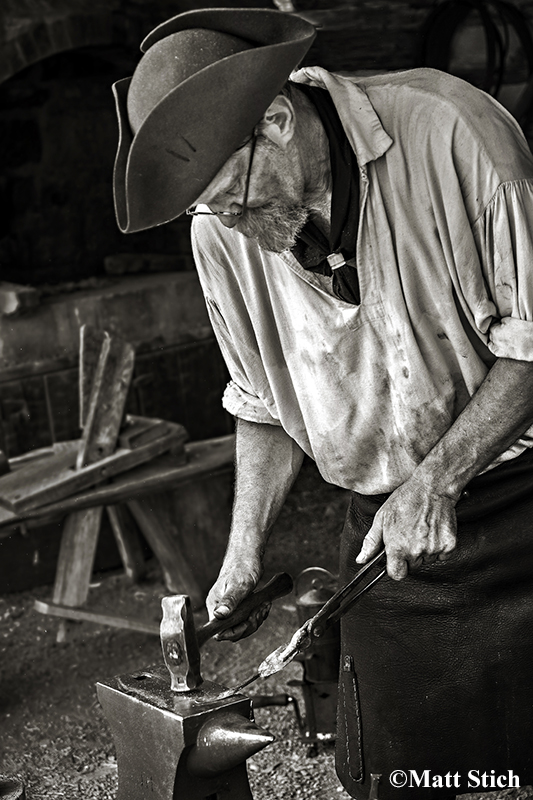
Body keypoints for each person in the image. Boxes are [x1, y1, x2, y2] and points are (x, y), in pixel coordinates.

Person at [112, 8, 533, 799]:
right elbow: (262, 401)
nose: (231, 226)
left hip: (520, 498)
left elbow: (530, 346)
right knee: (398, 774)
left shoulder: (455, 135)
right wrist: (242, 553)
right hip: (384, 530)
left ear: (275, 120)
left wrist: (436, 480)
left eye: (232, 200)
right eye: (210, 212)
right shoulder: (219, 230)